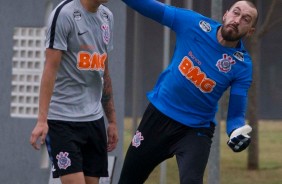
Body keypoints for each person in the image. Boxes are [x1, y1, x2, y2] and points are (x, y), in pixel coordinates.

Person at [119, 0, 258, 183]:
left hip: (195, 130)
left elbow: (235, 115)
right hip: (158, 117)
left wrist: (235, 132)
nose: (237, 20)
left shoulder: (242, 65)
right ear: (225, 14)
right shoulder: (194, 24)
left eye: (246, 19)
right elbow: (150, 7)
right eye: (236, 13)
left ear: (250, 31)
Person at [29, 0, 118, 184]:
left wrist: (113, 121)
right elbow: (50, 69)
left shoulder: (107, 17)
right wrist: (41, 120)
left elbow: (104, 73)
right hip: (63, 120)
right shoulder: (64, 14)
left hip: (94, 120)